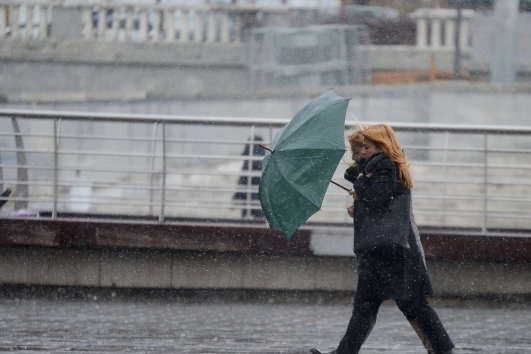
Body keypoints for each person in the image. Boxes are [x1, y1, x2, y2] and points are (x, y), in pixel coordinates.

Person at [310, 124, 455, 354]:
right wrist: (358, 204)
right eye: (361, 148)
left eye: (367, 147)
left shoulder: (386, 167)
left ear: (382, 146)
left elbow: (377, 199)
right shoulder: (379, 169)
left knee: (409, 305)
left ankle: (442, 350)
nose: (362, 152)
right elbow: (380, 204)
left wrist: (359, 191)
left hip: (391, 251)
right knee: (370, 307)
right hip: (385, 250)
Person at [232, 135, 265, 219]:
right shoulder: (264, 162)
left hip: (249, 203)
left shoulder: (248, 162)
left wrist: (235, 198)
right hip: (261, 204)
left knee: (249, 217)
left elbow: (243, 182)